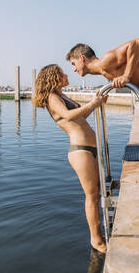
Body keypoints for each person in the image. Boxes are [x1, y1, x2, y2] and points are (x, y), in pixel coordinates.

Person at [32, 64, 108, 253]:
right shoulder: (52, 98)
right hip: (80, 150)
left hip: (89, 148)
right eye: (62, 73)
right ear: (53, 77)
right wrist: (92, 104)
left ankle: (99, 235)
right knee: (91, 196)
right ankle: (96, 240)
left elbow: (82, 115)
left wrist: (96, 101)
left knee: (97, 193)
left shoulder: (62, 96)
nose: (67, 75)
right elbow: (67, 115)